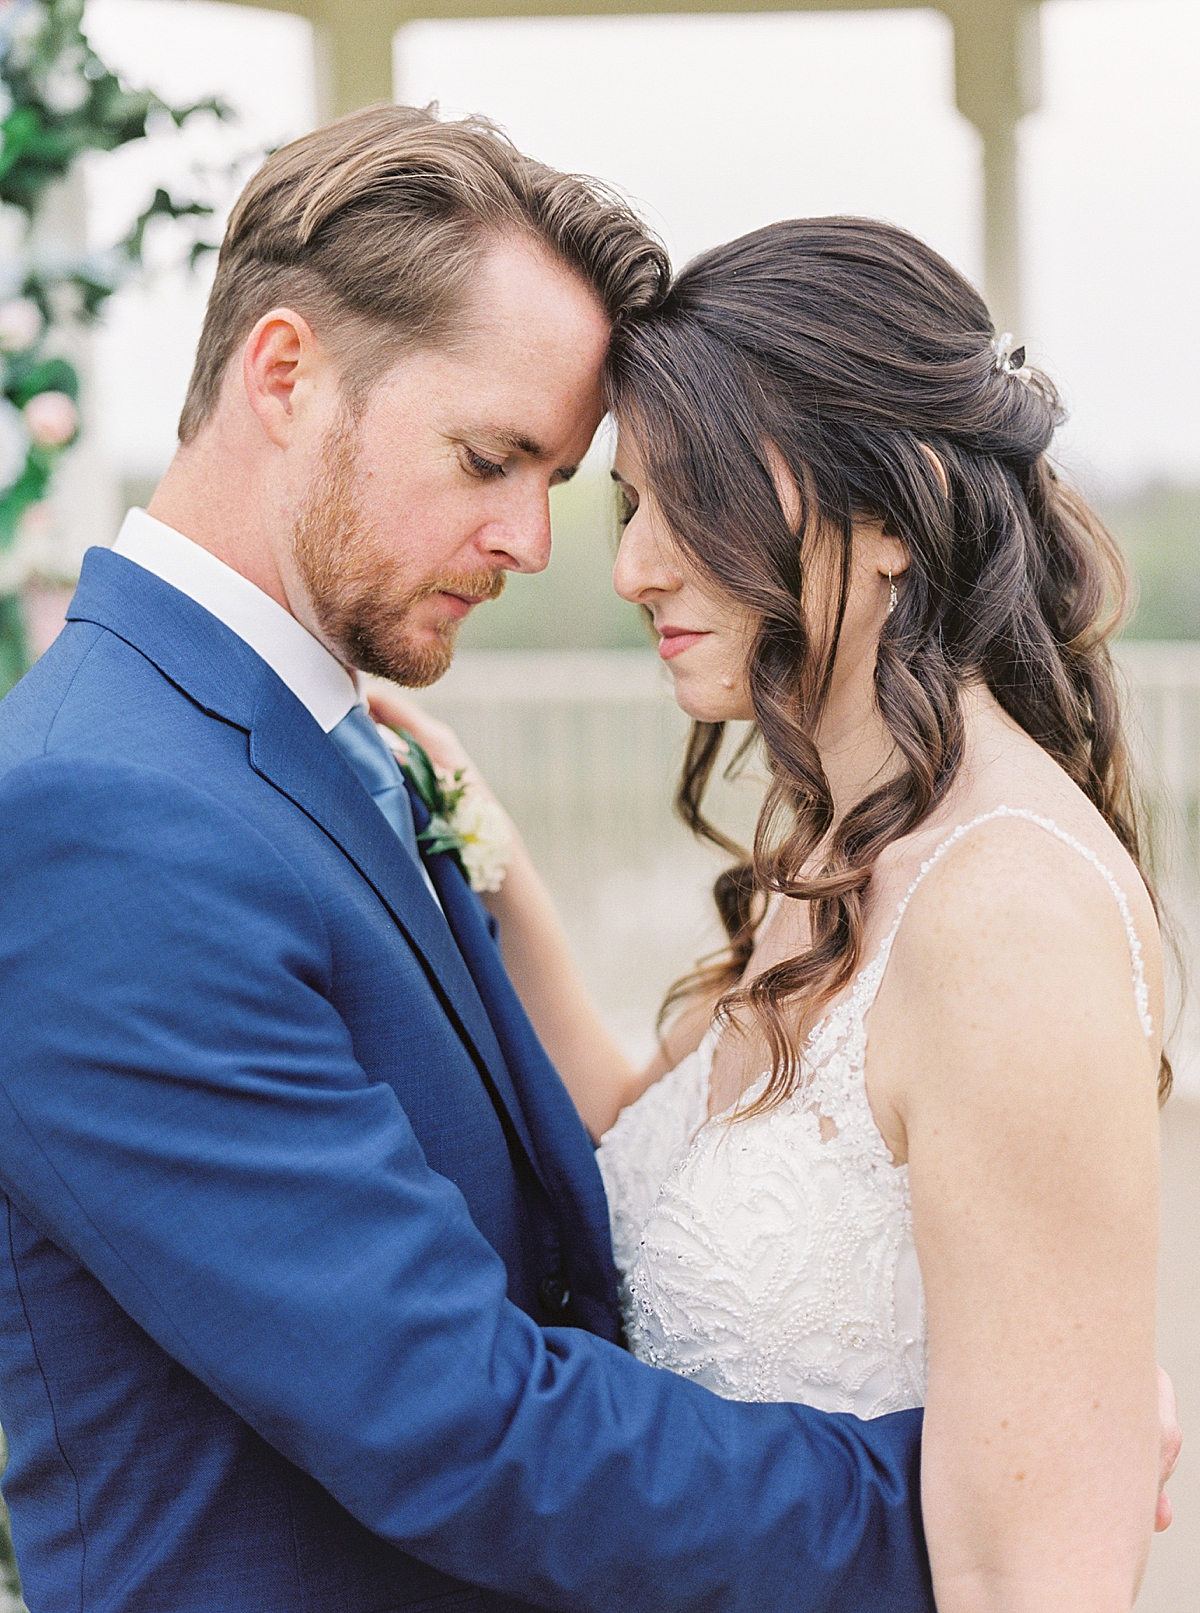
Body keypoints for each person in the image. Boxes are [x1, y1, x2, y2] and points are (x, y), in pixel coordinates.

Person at [0, 107, 942, 1613]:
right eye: (491, 458)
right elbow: (453, 1414)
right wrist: (930, 1502)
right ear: (287, 375)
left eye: (555, 480)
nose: (533, 541)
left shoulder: (333, 741)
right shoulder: (93, 816)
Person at [373, 217, 1179, 1611]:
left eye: (693, 501)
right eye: (631, 503)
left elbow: (1033, 1573)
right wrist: (481, 851)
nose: (631, 567)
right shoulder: (849, 840)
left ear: (893, 510)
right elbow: (647, 1142)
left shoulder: (1007, 915)